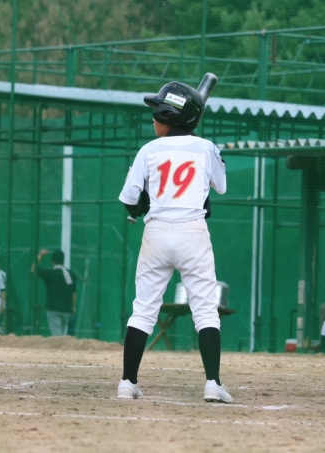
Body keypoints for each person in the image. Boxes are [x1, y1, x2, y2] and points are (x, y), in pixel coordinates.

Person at [116, 79, 231, 402]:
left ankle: (127, 382)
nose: (154, 117)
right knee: (205, 310)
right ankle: (213, 383)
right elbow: (220, 186)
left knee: (143, 310)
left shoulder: (148, 150)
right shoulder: (206, 147)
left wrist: (142, 204)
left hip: (156, 233)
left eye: (158, 112)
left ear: (169, 116)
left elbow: (129, 199)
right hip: (192, 231)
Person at [31, 249, 76, 337]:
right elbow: (73, 293)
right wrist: (73, 307)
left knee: (56, 336)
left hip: (53, 308)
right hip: (67, 309)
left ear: (53, 262)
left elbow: (33, 269)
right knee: (64, 335)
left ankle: (59, 346)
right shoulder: (71, 275)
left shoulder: (50, 273)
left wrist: (40, 256)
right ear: (63, 261)